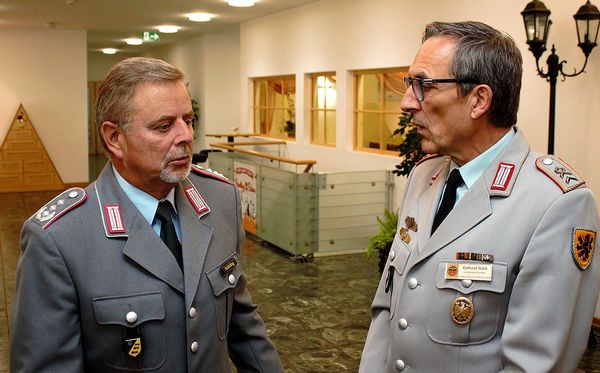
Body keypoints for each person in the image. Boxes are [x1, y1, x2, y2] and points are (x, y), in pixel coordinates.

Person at [10, 57, 284, 372]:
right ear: (114, 138)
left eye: (188, 119)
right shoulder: (59, 239)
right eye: (164, 126)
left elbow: (243, 322)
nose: (185, 136)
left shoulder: (221, 200)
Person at [360, 21, 600, 372]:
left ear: (479, 100)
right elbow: (387, 311)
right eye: (409, 84)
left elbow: (534, 364)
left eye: (423, 85)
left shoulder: (556, 203)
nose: (407, 102)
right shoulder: (424, 175)